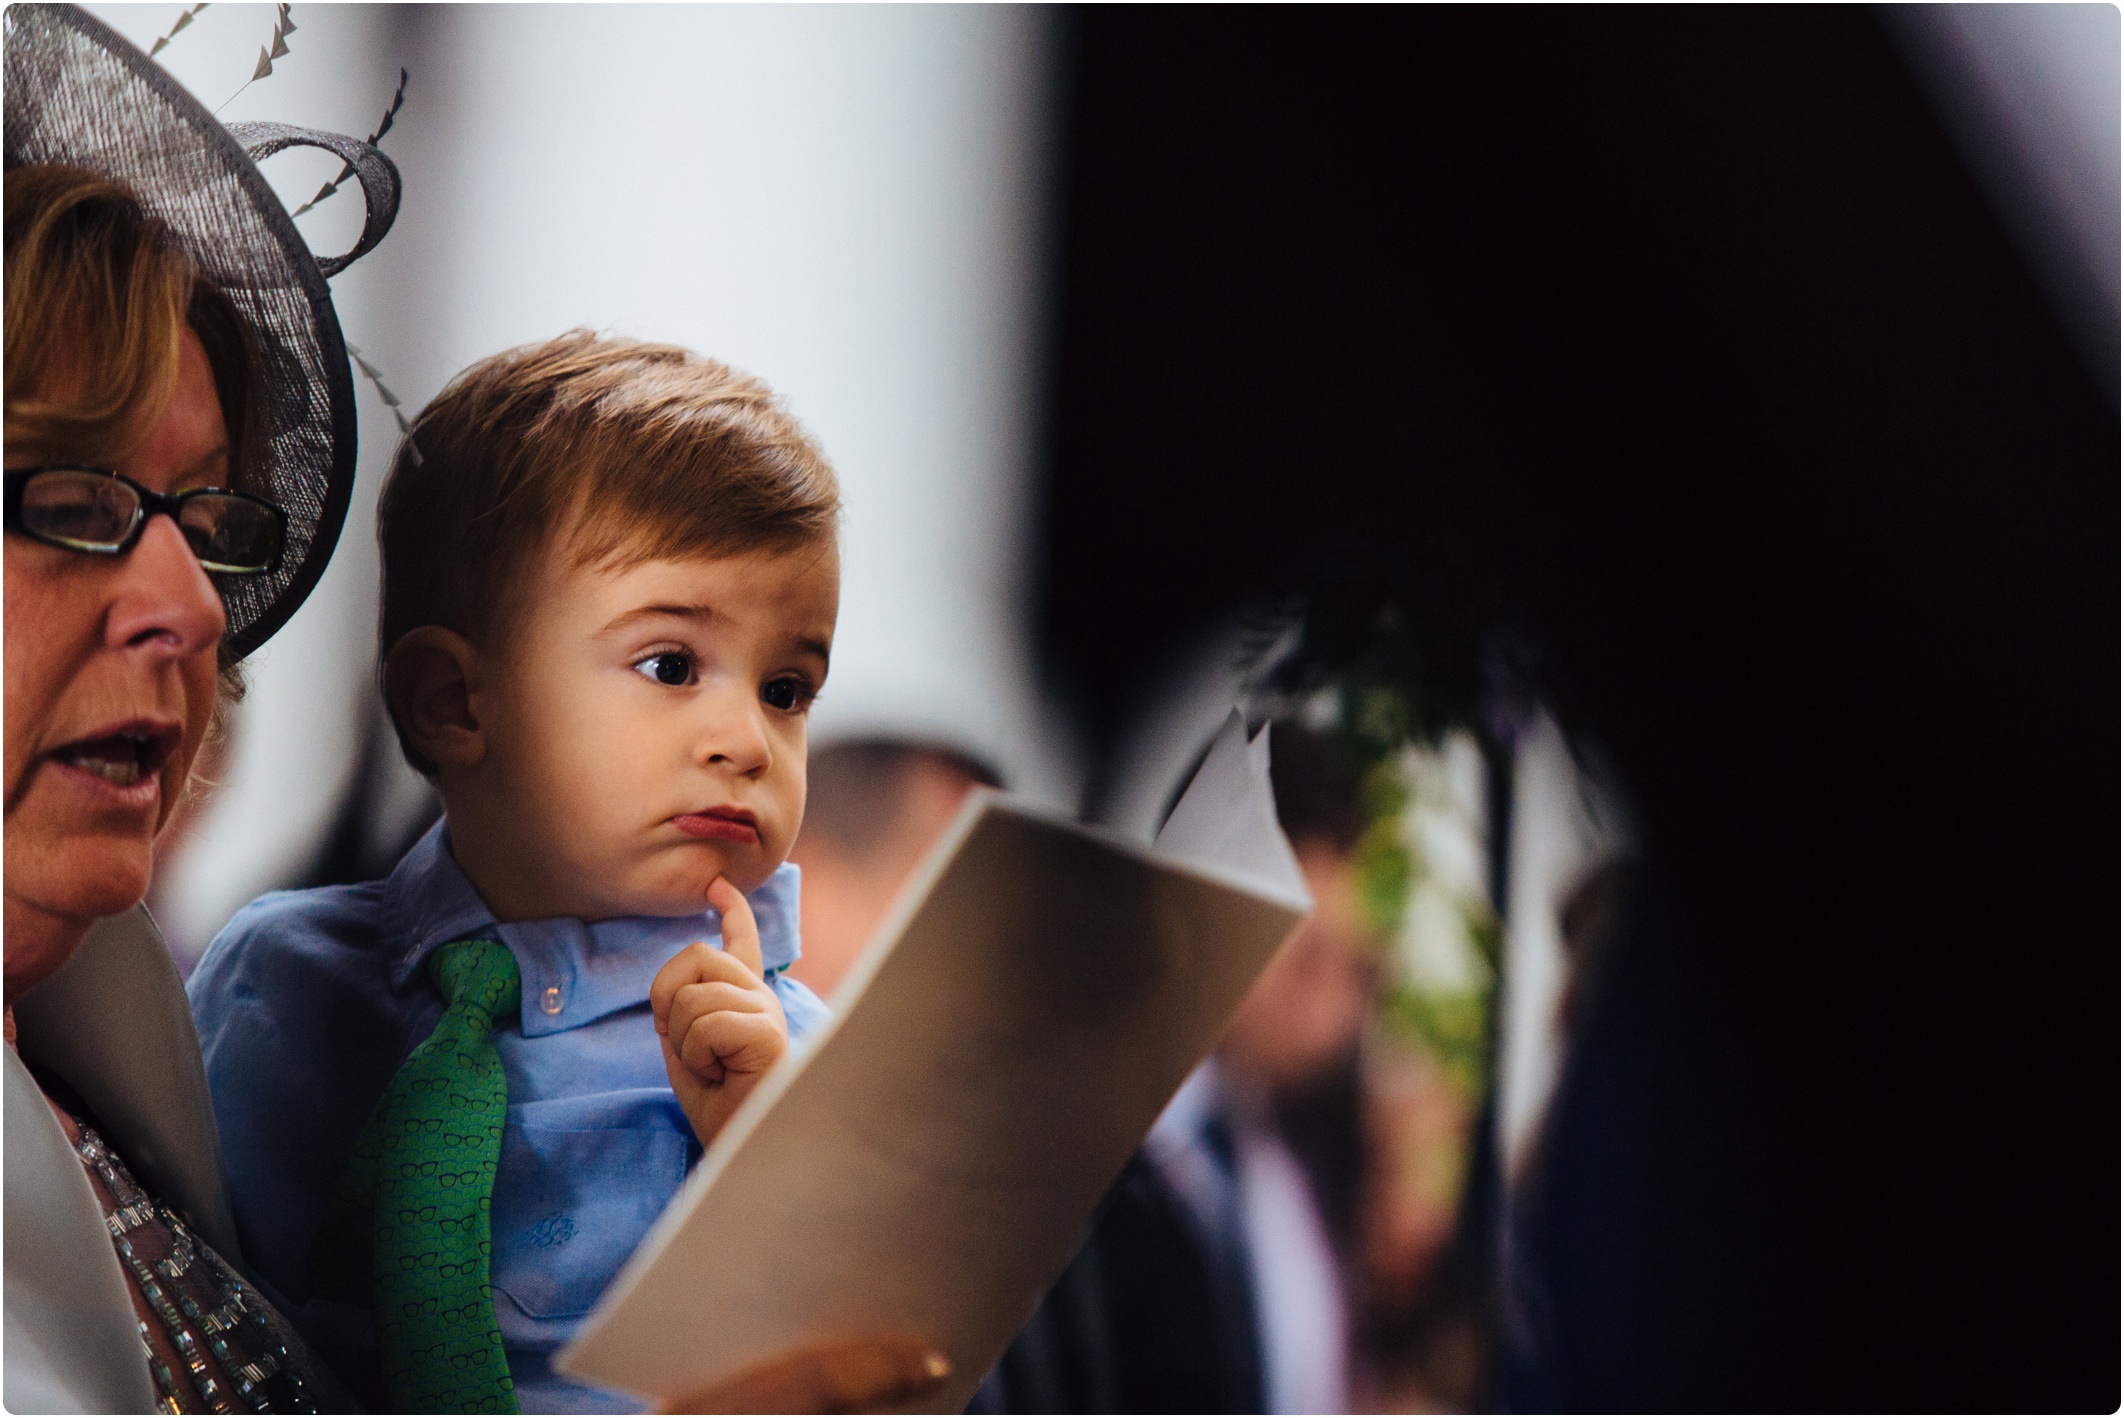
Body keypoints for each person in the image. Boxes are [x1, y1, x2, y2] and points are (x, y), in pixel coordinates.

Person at [4, 10, 942, 1413]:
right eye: (71, 504)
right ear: (452, 699)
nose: (194, 603)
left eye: (209, 523)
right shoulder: (285, 992)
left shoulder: (117, 1048)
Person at [187, 333, 847, 1412]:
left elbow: (888, 1376)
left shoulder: (798, 1065)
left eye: (787, 686)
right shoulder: (279, 985)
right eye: (670, 663)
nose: (748, 737)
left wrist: (760, 1171)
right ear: (453, 700)